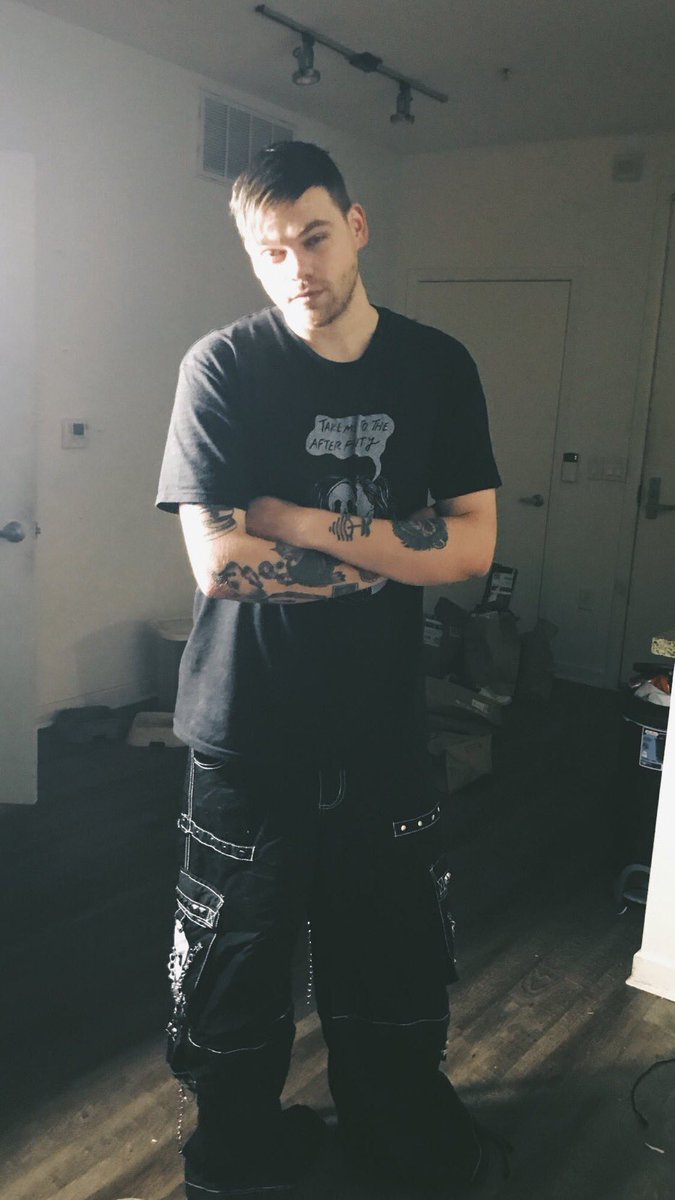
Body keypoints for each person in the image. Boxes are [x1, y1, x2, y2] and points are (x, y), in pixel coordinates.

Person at [156, 140, 501, 1200]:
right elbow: (221, 565)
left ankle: (399, 1137)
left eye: (312, 236)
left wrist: (298, 520)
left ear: (355, 227)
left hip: (377, 727)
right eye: (271, 250)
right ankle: (234, 1161)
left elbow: (473, 547)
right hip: (246, 731)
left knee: (391, 954)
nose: (296, 266)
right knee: (233, 966)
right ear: (251, 256)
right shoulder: (221, 366)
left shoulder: (436, 365)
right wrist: (390, 551)